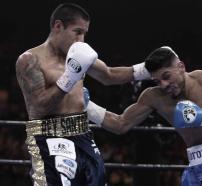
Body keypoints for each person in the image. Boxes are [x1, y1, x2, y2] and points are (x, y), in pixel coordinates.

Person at [15, 3, 150, 186]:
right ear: (58, 26)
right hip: (47, 137)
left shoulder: (77, 53)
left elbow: (109, 75)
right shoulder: (30, 60)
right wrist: (69, 77)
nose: (81, 39)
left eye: (84, 33)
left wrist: (149, 69)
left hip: (83, 134)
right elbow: (39, 107)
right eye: (77, 32)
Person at [84, 46, 202, 186]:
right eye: (157, 81)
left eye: (166, 76)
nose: (163, 85)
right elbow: (120, 124)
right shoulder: (154, 97)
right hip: (195, 167)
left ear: (181, 67)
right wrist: (86, 105)